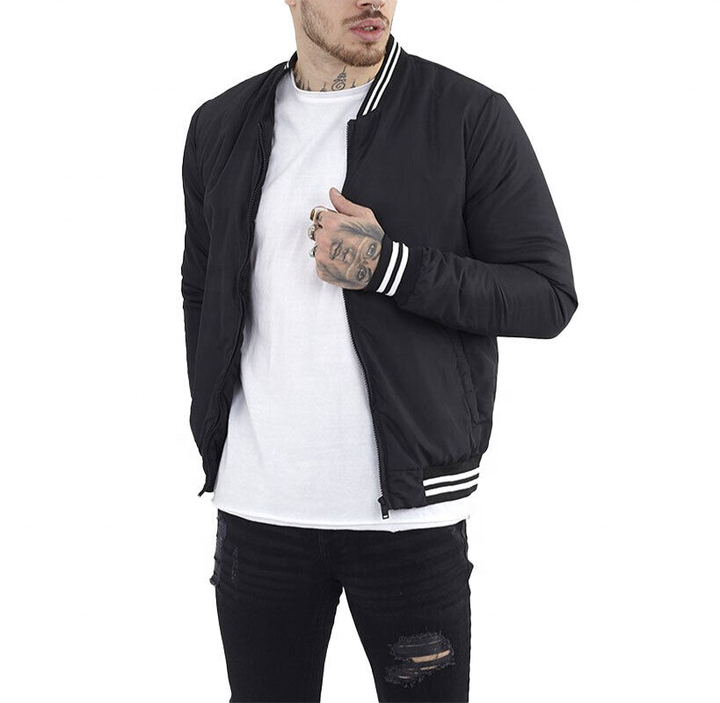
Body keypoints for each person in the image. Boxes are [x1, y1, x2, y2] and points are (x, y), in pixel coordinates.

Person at [180, 0, 578, 700]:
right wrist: (216, 430)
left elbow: (547, 296)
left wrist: (390, 266)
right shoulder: (221, 123)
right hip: (257, 515)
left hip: (409, 520)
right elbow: (200, 288)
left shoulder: (466, 115)